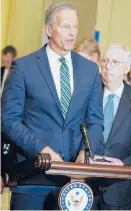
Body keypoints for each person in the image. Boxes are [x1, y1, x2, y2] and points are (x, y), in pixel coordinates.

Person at [1, 3, 103, 210]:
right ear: (48, 30)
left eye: (75, 27)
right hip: (34, 176)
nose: (72, 33)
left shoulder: (90, 70)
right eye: (66, 27)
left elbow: (95, 121)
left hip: (75, 181)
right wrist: (42, 150)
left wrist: (85, 156)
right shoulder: (24, 67)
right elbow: (8, 120)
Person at [90, 43, 131, 210]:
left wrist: (123, 163)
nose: (108, 66)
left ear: (126, 69)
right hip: (86, 182)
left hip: (118, 186)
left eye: (114, 62)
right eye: (105, 61)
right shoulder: (89, 94)